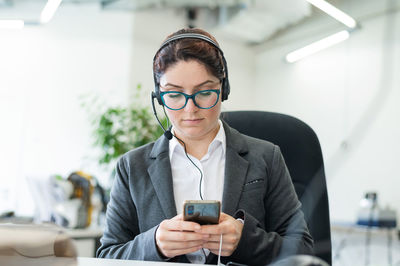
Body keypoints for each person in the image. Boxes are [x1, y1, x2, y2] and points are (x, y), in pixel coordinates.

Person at [96, 28, 314, 265]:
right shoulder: (132, 166)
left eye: (205, 92)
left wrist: (245, 240)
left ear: (224, 90)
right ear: (158, 96)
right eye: (174, 94)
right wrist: (155, 244)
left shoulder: (266, 157)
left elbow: (303, 250)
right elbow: (108, 256)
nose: (190, 108)